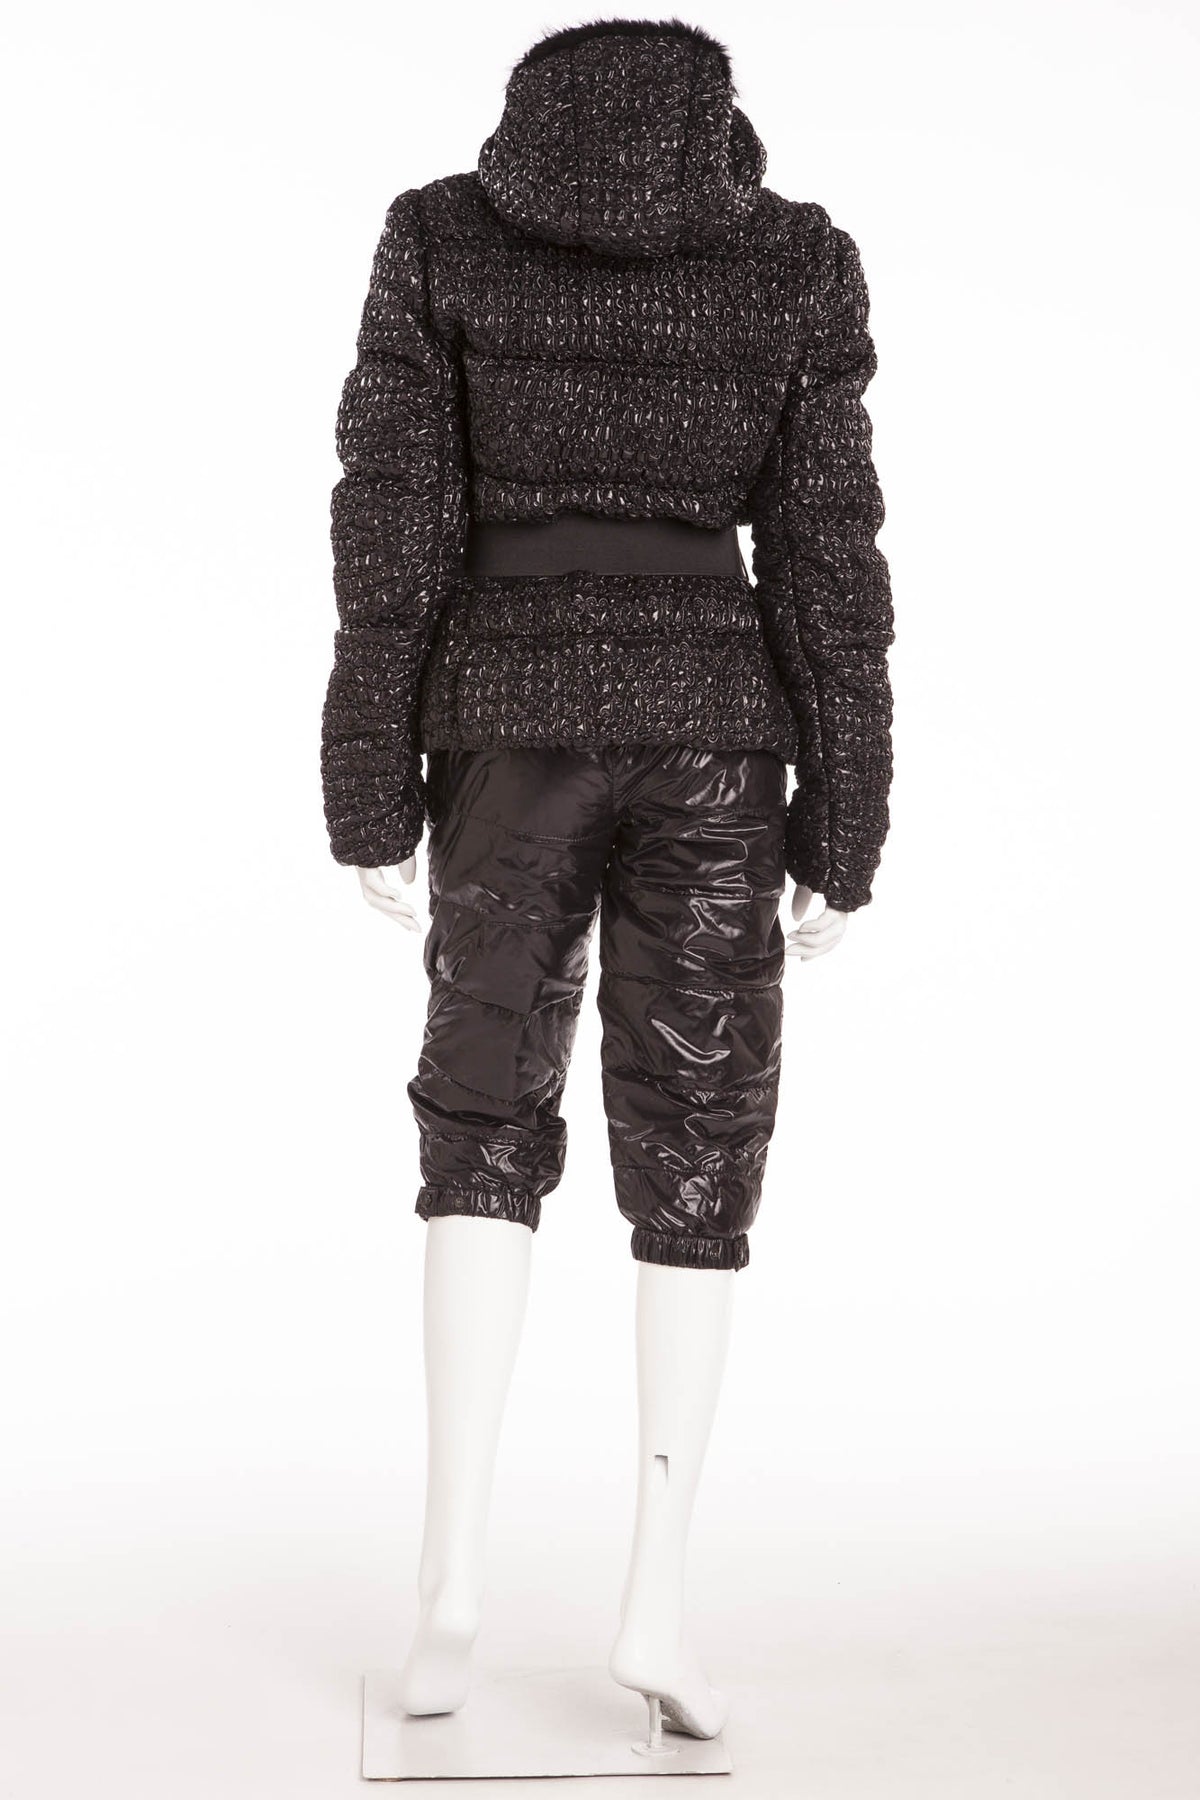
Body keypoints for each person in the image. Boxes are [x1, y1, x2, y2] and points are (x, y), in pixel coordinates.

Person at [320, 16, 894, 1745]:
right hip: (718, 735)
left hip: (509, 724)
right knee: (701, 1126)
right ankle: (658, 1601)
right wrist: (848, 816)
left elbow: (389, 525)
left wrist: (368, 786)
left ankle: (451, 1584)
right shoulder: (795, 258)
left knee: (480, 1111)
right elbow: (828, 554)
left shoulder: (441, 233)